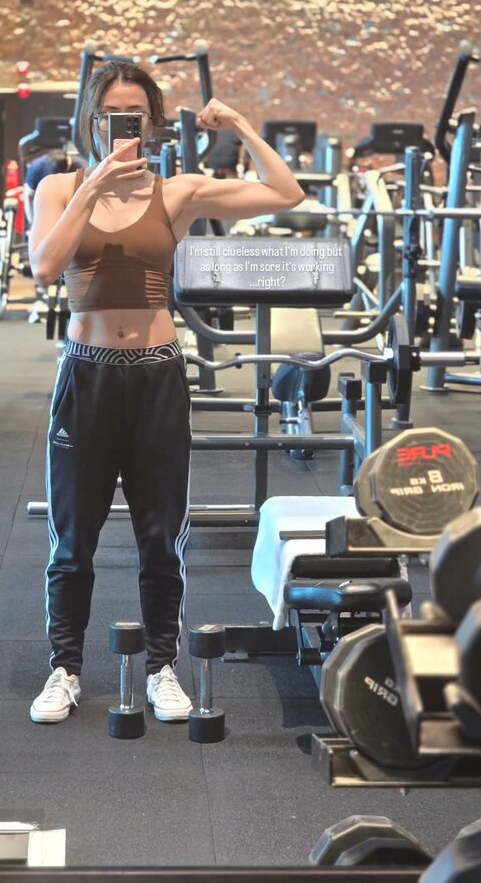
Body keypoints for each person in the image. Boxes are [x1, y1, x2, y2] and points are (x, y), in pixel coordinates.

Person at [28, 61, 304, 724]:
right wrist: (95, 186)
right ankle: (65, 669)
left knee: (160, 537)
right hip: (87, 374)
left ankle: (161, 667)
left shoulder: (176, 192)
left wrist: (238, 124)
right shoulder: (60, 187)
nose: (122, 128)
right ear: (93, 121)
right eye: (110, 115)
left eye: (134, 116)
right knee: (73, 540)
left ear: (151, 125)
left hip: (156, 375)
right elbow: (44, 265)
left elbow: (286, 192)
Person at [23, 148, 84, 227]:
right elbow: (28, 196)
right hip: (42, 207)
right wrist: (32, 222)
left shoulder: (80, 166)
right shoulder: (35, 168)